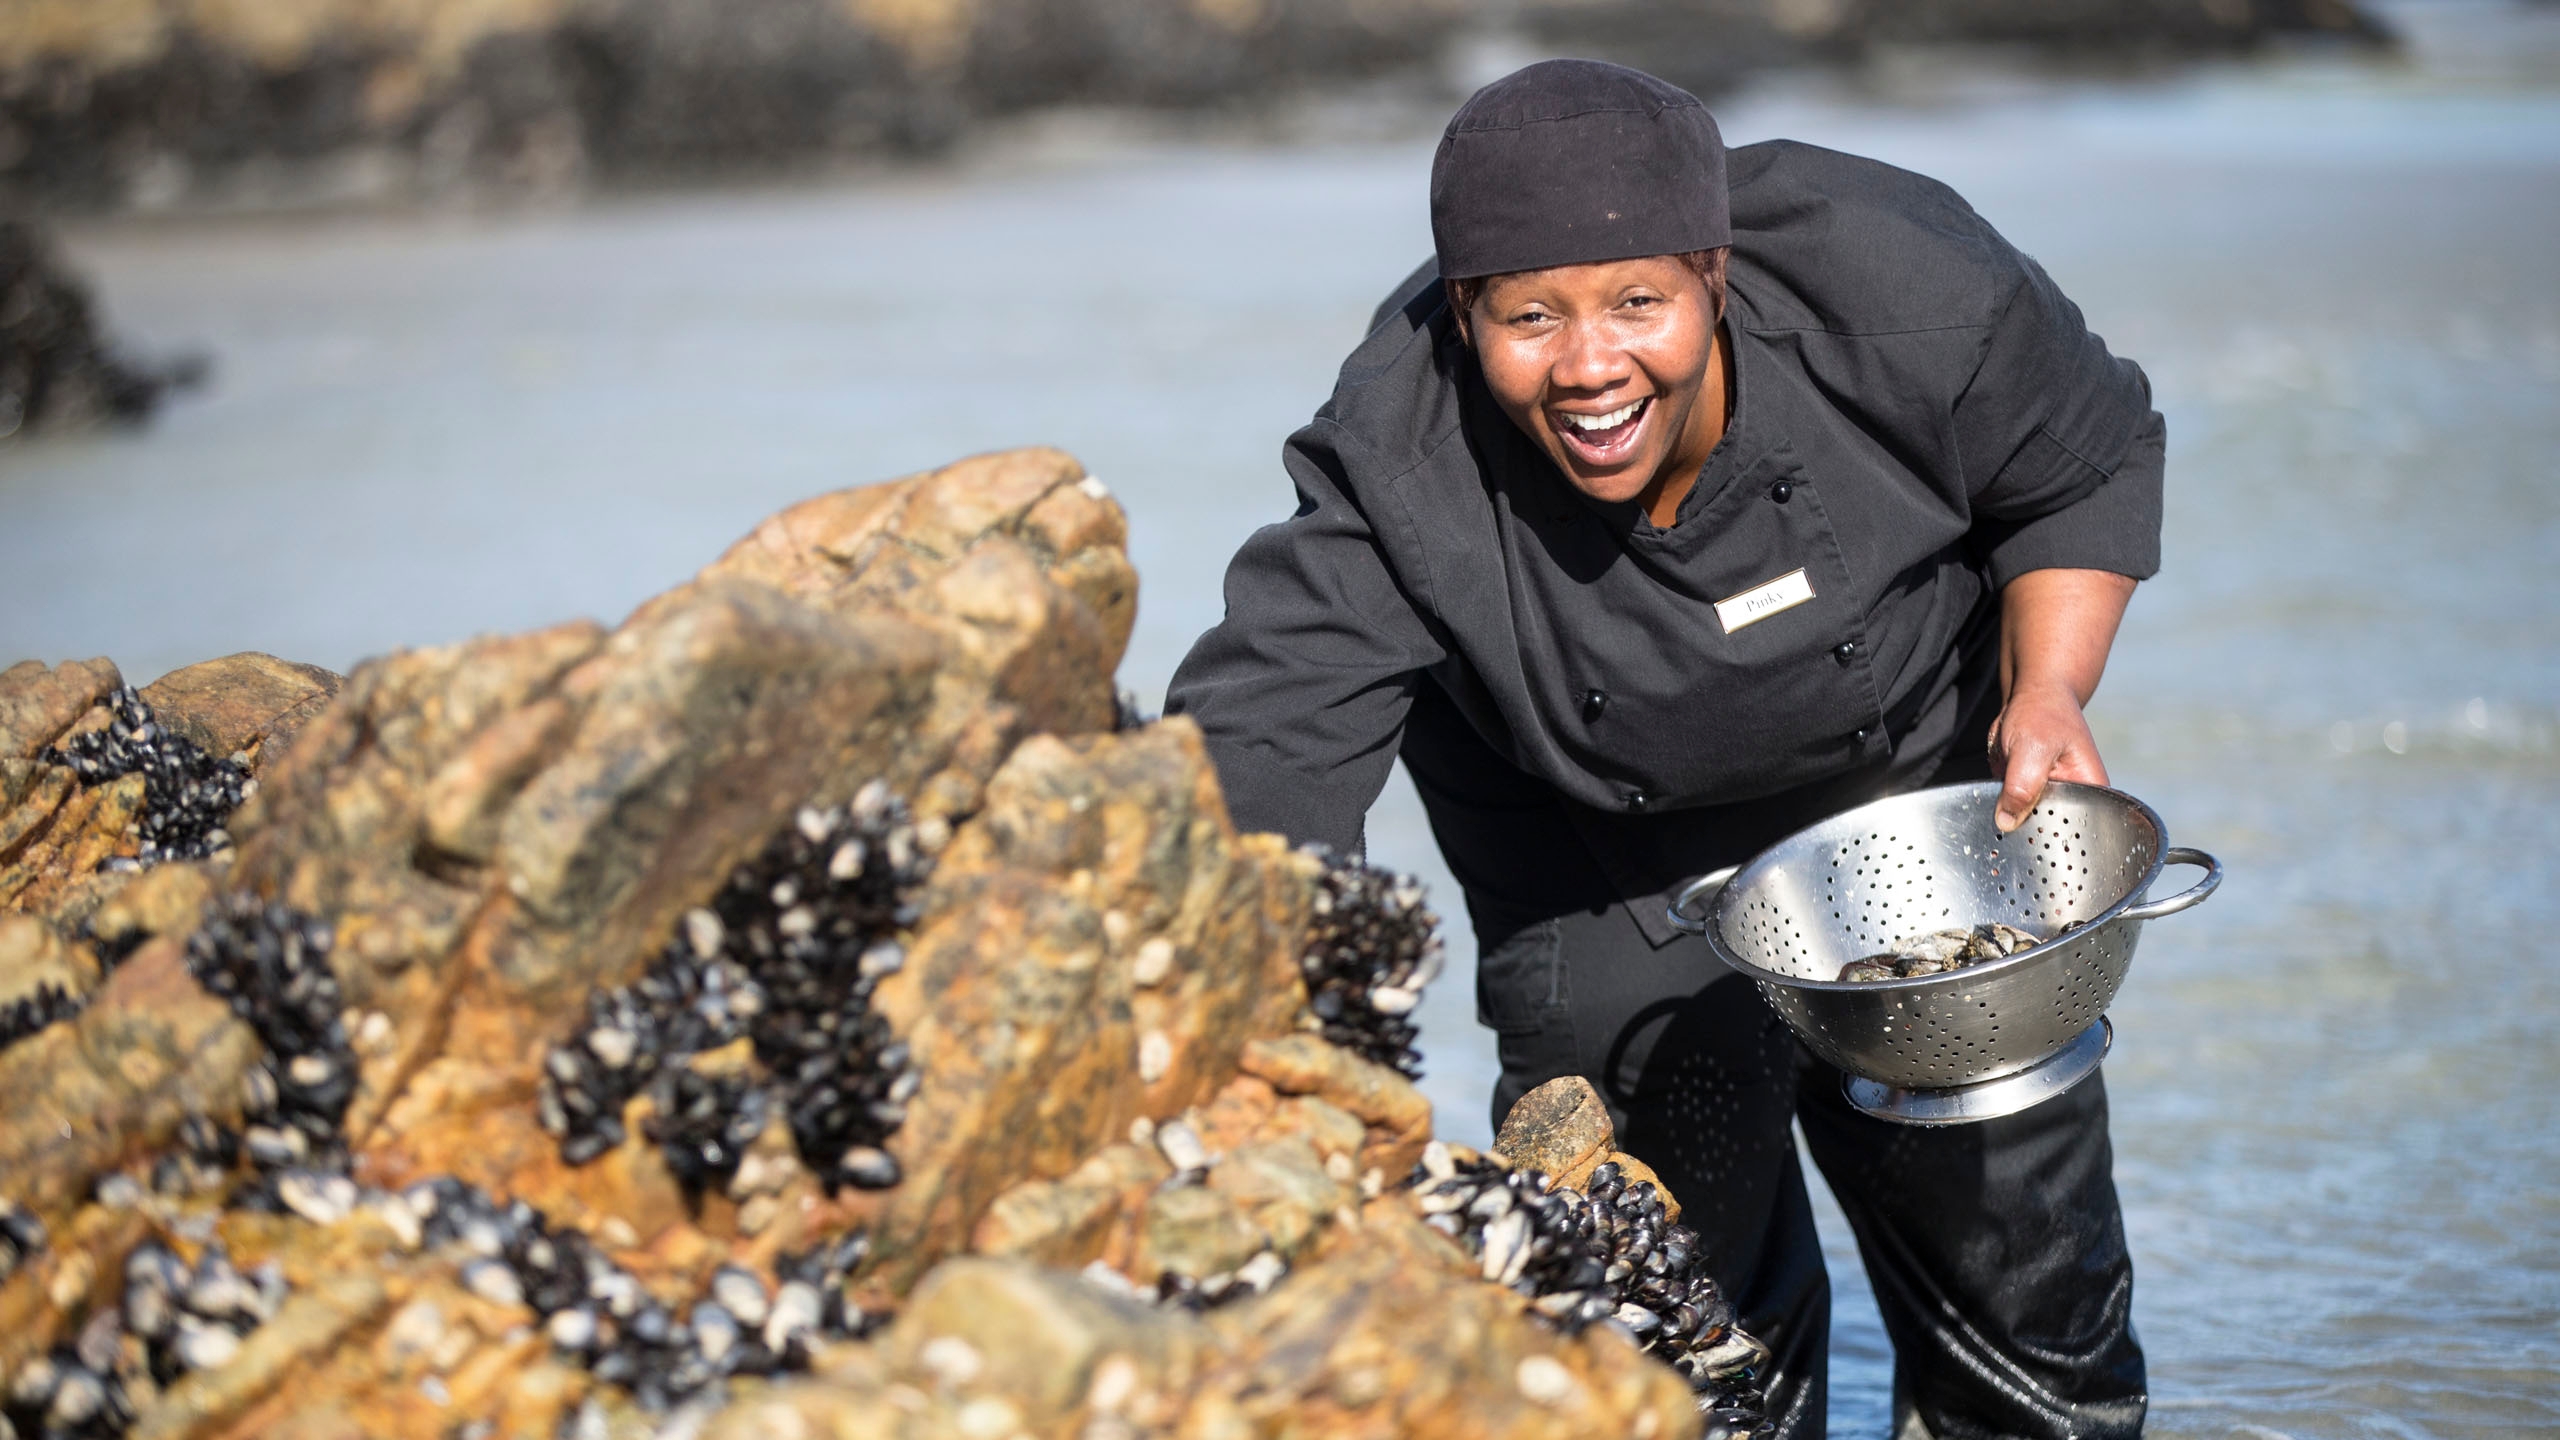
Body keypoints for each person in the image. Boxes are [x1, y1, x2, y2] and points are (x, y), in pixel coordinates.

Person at [1166, 58, 2158, 1440]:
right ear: (1466, 313)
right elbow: (1262, 743)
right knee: (1683, 1351)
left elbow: (2081, 467)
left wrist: (2046, 689)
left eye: (1639, 303)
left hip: (1919, 820)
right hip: (1593, 865)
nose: (1589, 367)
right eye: (1531, 318)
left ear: (1715, 274)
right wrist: (1244, 1053)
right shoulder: (1397, 452)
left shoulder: (1904, 281)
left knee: (2035, 1330)